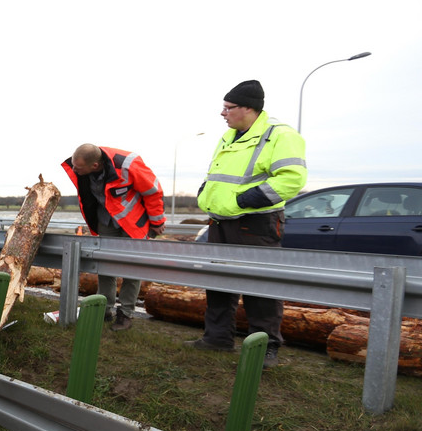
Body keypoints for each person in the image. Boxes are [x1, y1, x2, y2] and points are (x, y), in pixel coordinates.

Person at [187, 80, 307, 368]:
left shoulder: (280, 135)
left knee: (259, 286)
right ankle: (217, 339)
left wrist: (243, 201)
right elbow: (217, 175)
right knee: (217, 283)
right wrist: (206, 195)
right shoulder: (229, 136)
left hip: (256, 223)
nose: (223, 113)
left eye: (228, 108)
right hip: (220, 221)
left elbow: (291, 179)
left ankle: (265, 347)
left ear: (249, 109)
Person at [61, 144, 166, 331]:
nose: (74, 170)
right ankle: (104, 310)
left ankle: (125, 314)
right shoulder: (84, 166)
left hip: (132, 221)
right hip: (106, 220)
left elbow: (153, 191)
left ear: (94, 165)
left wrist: (157, 221)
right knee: (105, 266)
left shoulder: (128, 164)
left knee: (132, 267)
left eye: (78, 167)